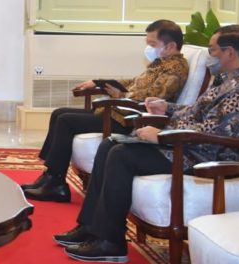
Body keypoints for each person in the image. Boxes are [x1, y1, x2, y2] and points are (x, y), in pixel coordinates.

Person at [54, 25, 239, 264]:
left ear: (230, 53)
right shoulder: (226, 81)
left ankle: (111, 242)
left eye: (213, 50)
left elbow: (218, 133)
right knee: (109, 145)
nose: (210, 56)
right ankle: (90, 227)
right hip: (189, 147)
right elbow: (197, 113)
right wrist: (168, 108)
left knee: (121, 155)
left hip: (205, 158)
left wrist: (162, 135)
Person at [24, 19, 189, 202]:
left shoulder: (176, 68)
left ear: (170, 46)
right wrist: (99, 82)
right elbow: (133, 82)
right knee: (59, 113)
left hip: (129, 120)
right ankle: (50, 176)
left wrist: (122, 95)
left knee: (66, 120)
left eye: (152, 44)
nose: (148, 48)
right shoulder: (160, 62)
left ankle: (56, 183)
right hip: (117, 113)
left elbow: (156, 96)